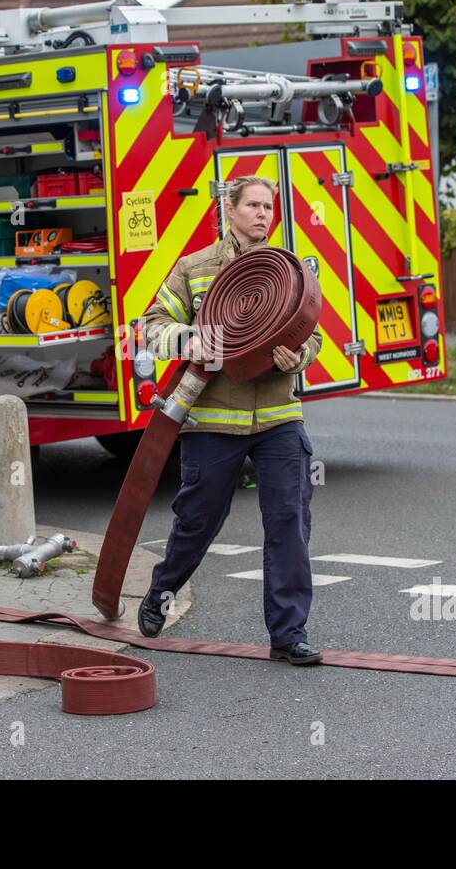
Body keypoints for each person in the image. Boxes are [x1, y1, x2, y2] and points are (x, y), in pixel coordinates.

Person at [136, 175, 324, 665]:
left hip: (280, 420)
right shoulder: (195, 269)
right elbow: (151, 328)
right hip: (214, 421)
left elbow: (313, 333)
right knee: (198, 520)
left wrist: (299, 356)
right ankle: (162, 591)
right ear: (230, 209)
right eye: (254, 205)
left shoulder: (289, 268)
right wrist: (188, 341)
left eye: (269, 207)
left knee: (288, 522)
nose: (264, 214)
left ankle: (289, 635)